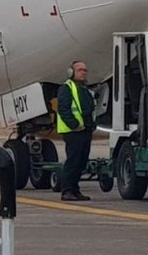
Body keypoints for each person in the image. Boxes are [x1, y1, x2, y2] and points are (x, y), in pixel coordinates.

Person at [56, 60, 95, 201]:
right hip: (73, 132)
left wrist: (92, 126)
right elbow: (64, 109)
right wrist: (74, 125)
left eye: (85, 70)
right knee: (73, 161)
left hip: (85, 131)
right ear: (71, 72)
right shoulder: (66, 88)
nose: (83, 72)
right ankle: (66, 191)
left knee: (81, 162)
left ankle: (75, 189)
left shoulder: (86, 89)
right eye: (80, 70)